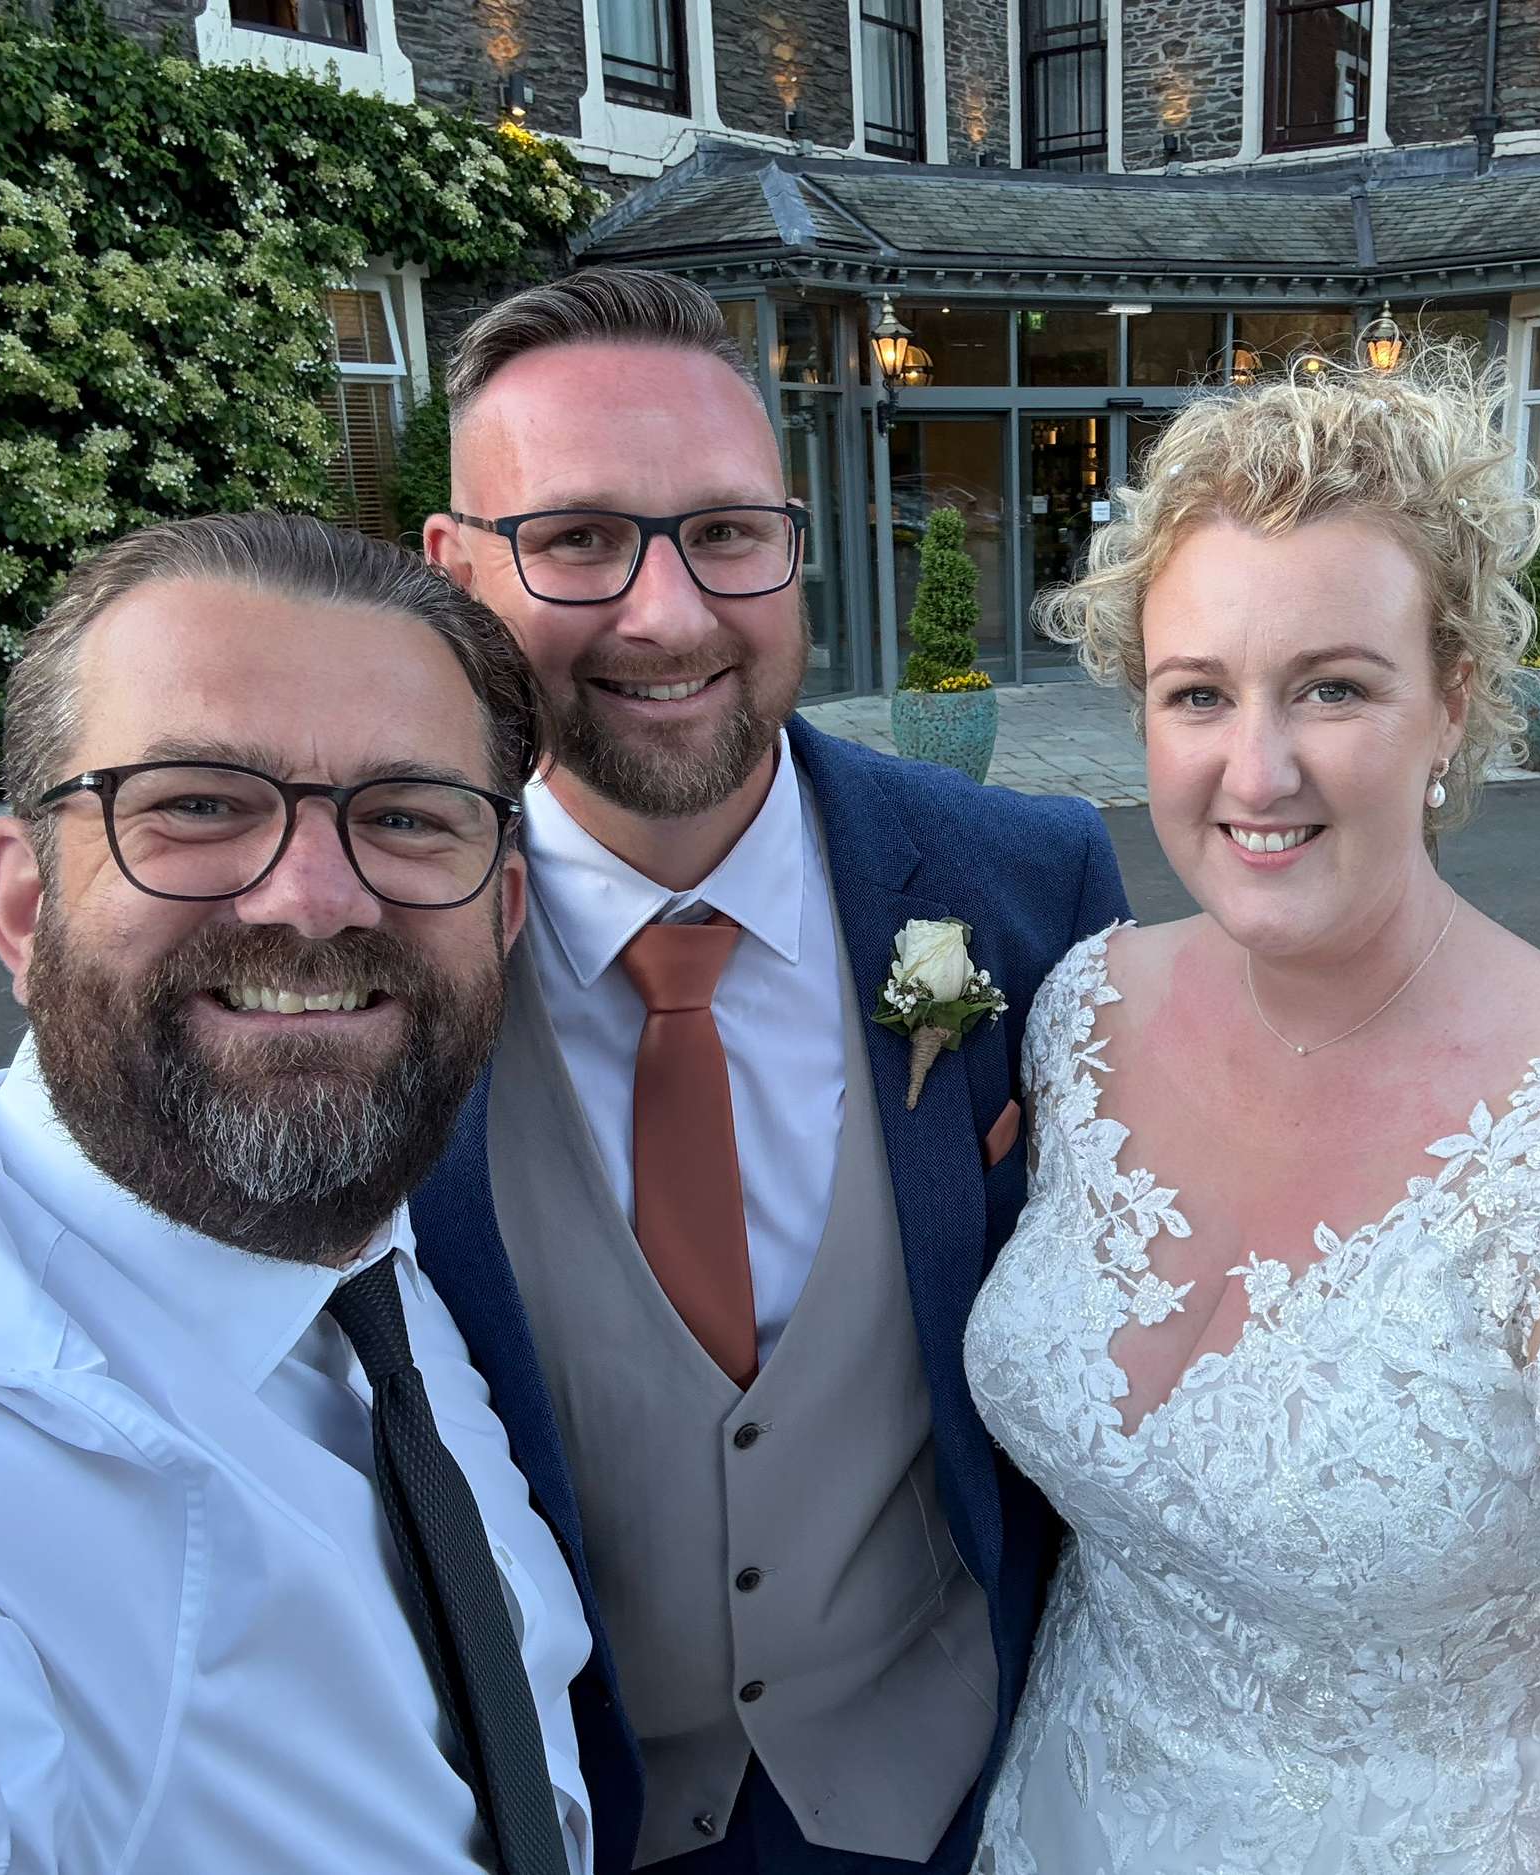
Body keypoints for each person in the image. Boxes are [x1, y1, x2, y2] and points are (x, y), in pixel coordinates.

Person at [959, 353, 1540, 1875]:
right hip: (1063, 1811)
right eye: (1198, 694)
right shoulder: (1082, 1016)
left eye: (1335, 688)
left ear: (1453, 705)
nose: (1258, 768)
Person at [416, 267, 1130, 1875]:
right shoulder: (372, 939)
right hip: (553, 1814)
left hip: (949, 1786)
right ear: (455, 571)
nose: (668, 615)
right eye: (579, 538)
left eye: (727, 532)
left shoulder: (1030, 884)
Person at [0, 514, 600, 1875]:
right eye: (198, 804)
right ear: (22, 905)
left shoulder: (359, 1247)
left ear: (502, 912)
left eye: (405, 816)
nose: (315, 899)